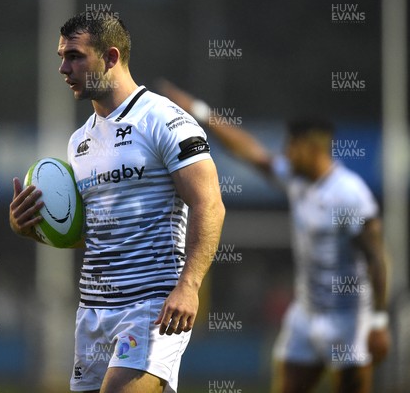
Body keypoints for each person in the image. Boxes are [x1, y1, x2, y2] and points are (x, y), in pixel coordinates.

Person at [9, 13, 225, 393]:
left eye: (75, 56)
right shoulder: (79, 142)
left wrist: (189, 285)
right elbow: (94, 234)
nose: (63, 68)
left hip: (152, 305)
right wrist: (32, 230)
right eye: (61, 56)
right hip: (93, 311)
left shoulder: (164, 120)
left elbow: (210, 205)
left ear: (110, 57)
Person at [158, 80, 390, 393]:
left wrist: (376, 322)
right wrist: (199, 111)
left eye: (291, 145)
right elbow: (251, 152)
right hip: (307, 314)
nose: (286, 152)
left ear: (312, 147)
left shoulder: (349, 195)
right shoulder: (297, 180)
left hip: (348, 319)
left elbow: (376, 257)